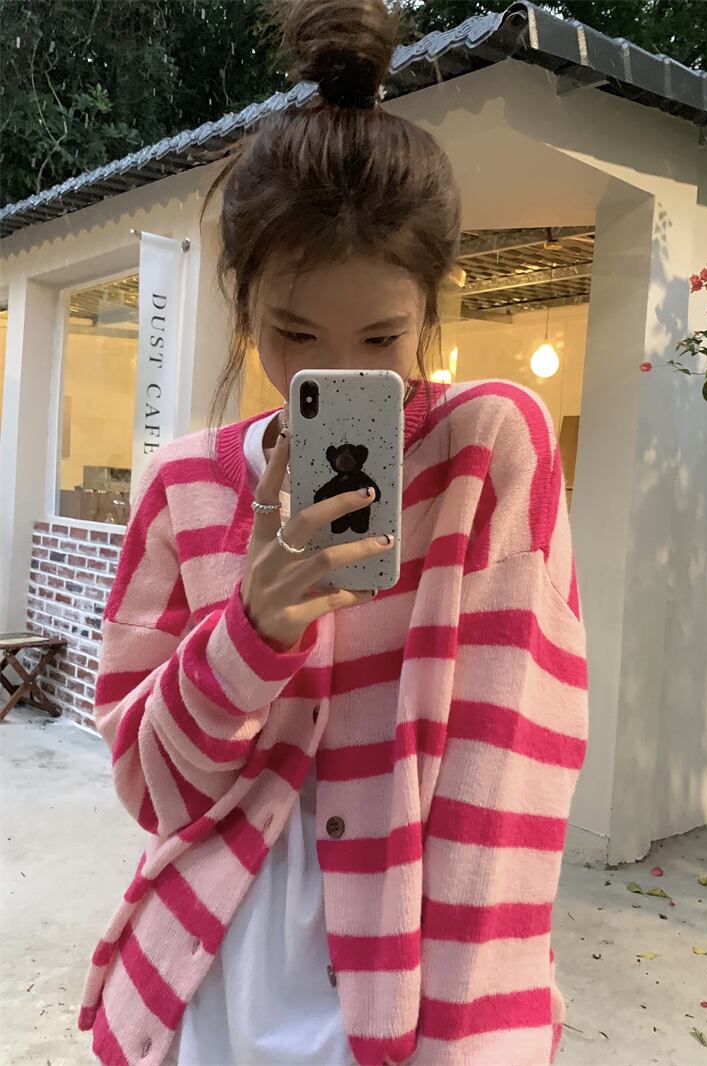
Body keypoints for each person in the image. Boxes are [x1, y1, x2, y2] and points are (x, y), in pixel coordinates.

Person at [77, 1, 589, 1064]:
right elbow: (149, 788)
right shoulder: (181, 486)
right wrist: (251, 629)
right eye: (294, 333)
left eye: (381, 337)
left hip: (403, 977)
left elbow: (510, 776)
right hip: (211, 978)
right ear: (243, 307)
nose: (338, 373)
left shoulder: (488, 449)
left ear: (431, 307)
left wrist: (467, 1043)